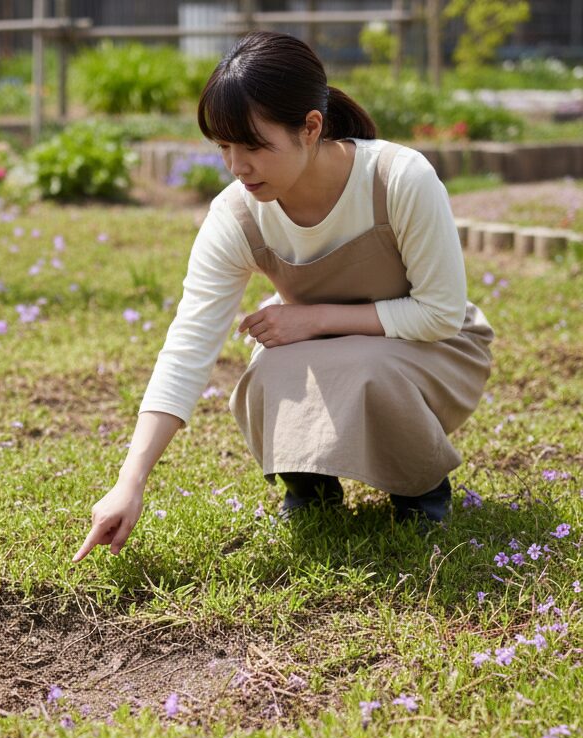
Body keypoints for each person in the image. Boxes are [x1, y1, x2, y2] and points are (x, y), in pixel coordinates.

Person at [72, 30, 493, 564]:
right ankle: (311, 489)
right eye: (224, 146)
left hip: (435, 349)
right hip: (338, 348)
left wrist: (314, 318)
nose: (237, 166)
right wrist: (128, 483)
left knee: (367, 367)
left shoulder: (398, 179)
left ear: (310, 128)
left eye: (253, 146)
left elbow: (440, 313)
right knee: (268, 369)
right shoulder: (238, 214)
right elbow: (189, 345)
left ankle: (418, 488)